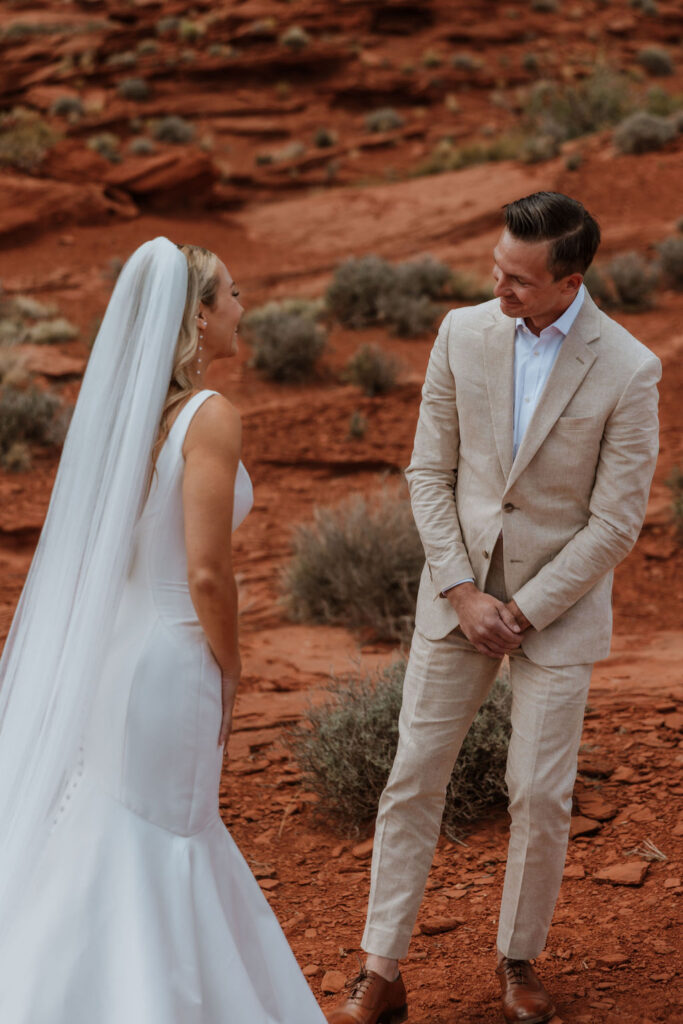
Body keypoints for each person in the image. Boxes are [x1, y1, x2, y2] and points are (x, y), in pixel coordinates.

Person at [326, 192, 661, 1024]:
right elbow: (427, 474)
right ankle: (381, 970)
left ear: (568, 280)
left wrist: (524, 609)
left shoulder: (628, 367)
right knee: (411, 779)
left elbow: (616, 521)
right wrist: (463, 592)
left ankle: (516, 961)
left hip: (559, 607)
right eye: (495, 271)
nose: (498, 289)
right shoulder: (460, 332)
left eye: (516, 280)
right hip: (456, 598)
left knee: (538, 794)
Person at [0, 238, 326, 1024]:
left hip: (120, 654)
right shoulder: (210, 416)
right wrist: (232, 666)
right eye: (234, 295)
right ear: (200, 318)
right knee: (165, 832)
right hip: (173, 656)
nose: (244, 309)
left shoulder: (129, 419)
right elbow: (207, 572)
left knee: (117, 826)